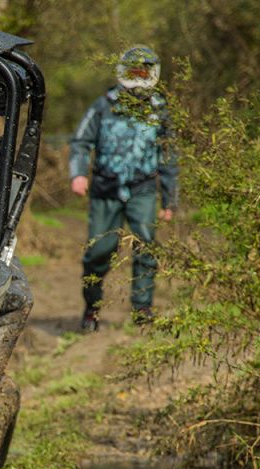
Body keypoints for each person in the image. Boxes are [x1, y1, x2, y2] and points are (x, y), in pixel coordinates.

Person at [69, 45, 179, 332]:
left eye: (144, 72)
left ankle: (142, 309)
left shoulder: (161, 110)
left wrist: (170, 199)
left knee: (146, 247)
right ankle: (91, 308)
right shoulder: (104, 104)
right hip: (105, 190)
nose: (138, 78)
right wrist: (78, 174)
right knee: (99, 251)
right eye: (134, 72)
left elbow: (168, 155)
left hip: (143, 190)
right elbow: (81, 141)